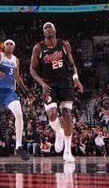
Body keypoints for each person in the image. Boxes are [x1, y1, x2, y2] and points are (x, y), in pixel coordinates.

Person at [29, 22, 84, 163]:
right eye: (45, 28)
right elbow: (32, 70)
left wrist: (76, 79)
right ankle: (58, 133)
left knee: (66, 114)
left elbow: (72, 66)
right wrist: (42, 83)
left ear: (55, 30)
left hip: (65, 82)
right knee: (52, 114)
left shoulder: (64, 45)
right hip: (48, 84)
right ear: (43, 33)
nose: (48, 29)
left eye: (50, 27)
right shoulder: (38, 48)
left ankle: (67, 151)